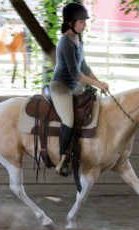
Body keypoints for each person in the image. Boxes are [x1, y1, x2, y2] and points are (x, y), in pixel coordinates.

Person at [50, 2, 109, 176]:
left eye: (85, 21)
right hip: (61, 87)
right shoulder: (65, 43)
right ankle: (62, 161)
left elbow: (83, 65)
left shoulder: (78, 39)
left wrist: (100, 82)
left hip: (75, 87)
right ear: (70, 23)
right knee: (68, 121)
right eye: (81, 21)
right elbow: (76, 74)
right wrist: (97, 84)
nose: (85, 24)